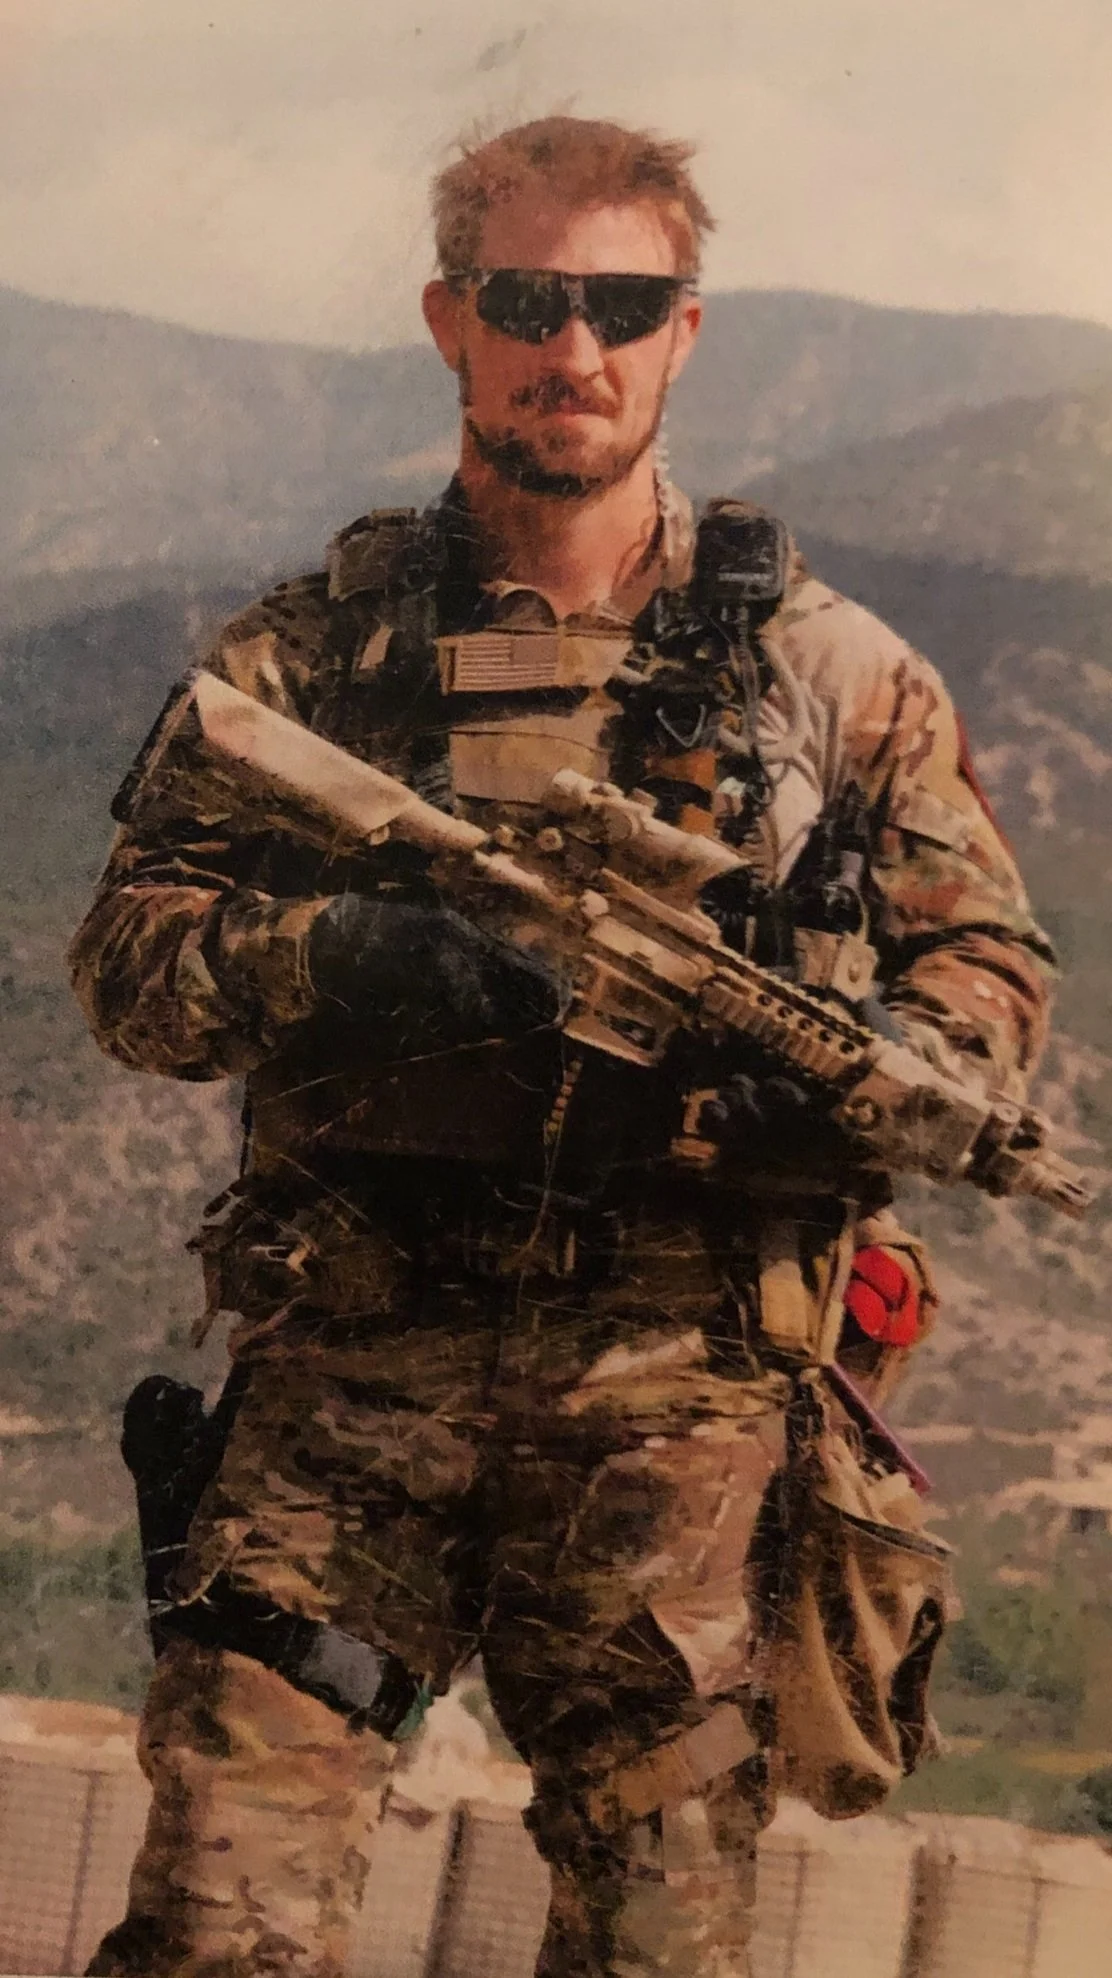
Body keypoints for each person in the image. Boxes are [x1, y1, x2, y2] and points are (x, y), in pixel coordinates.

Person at [69, 116, 1055, 1978]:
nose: (573, 350)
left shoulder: (838, 682)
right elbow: (129, 966)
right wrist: (342, 957)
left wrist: (847, 1062)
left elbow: (987, 975)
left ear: (689, 331)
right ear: (452, 321)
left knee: (659, 1948)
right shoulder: (308, 660)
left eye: (623, 303)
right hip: (350, 1374)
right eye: (529, 301)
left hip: (678, 1417)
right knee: (218, 1928)